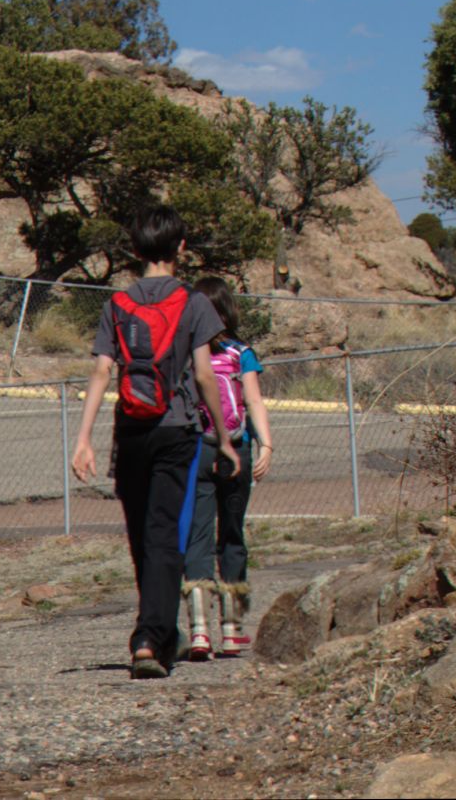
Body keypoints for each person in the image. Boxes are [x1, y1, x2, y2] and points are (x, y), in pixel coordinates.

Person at [68, 204, 238, 679]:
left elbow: (102, 370)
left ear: (135, 250)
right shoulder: (194, 303)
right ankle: (149, 637)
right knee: (166, 535)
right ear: (180, 248)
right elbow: (204, 374)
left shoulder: (116, 305)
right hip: (177, 429)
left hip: (131, 432)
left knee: (142, 534)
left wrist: (84, 439)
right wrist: (222, 437)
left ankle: (159, 635)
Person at [178, 277, 274, 658]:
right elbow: (253, 401)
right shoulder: (241, 352)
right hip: (237, 448)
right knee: (232, 534)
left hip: (197, 450)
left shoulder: (186, 353)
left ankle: (199, 631)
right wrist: (266, 442)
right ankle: (232, 630)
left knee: (197, 536)